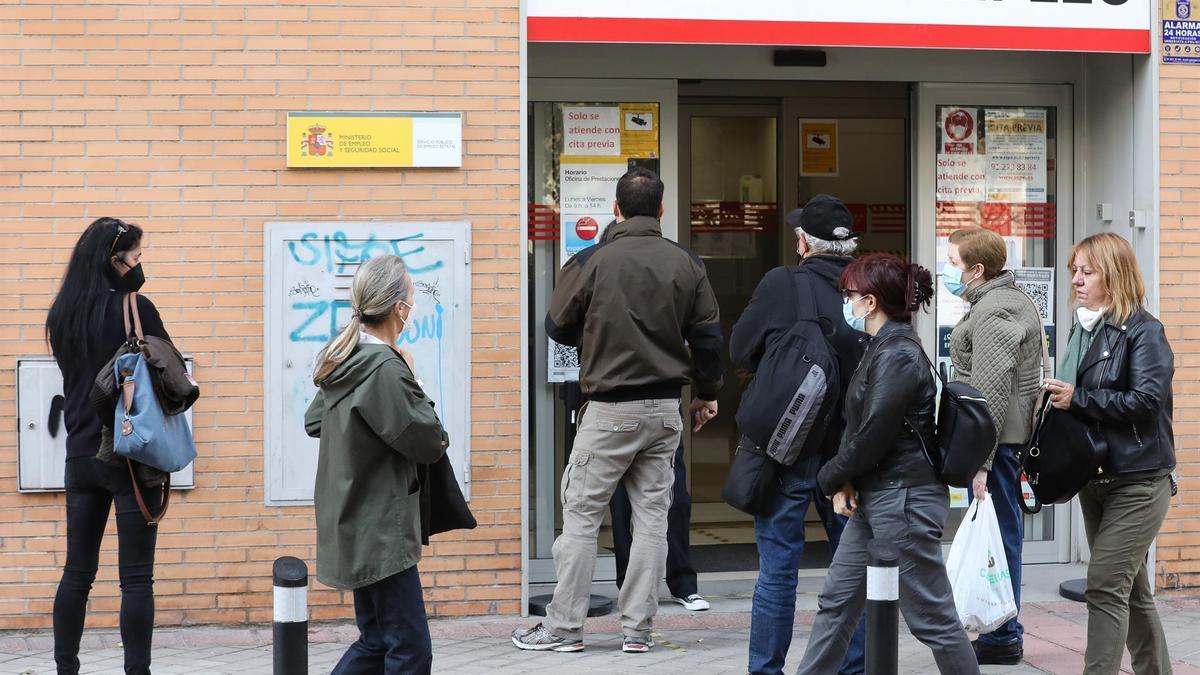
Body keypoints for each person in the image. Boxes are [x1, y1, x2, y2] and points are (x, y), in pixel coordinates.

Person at [512, 167, 724, 654]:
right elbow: (710, 338)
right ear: (662, 210)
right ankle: (638, 631)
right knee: (653, 520)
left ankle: (564, 629)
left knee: (583, 515)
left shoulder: (591, 260)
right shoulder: (686, 263)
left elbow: (556, 326)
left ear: (616, 209)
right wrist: (707, 391)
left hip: (608, 409)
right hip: (666, 410)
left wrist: (597, 332)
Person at [797, 253, 979, 675]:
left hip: (903, 500)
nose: (846, 302)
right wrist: (846, 482)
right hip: (880, 495)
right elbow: (860, 424)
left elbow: (872, 434)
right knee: (837, 603)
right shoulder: (881, 346)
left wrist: (829, 478)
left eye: (849, 294)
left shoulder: (898, 353)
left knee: (932, 619)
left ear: (871, 301)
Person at [730, 195, 868, 675]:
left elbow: (740, 349)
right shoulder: (871, 288)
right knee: (853, 572)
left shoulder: (781, 283)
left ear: (802, 242)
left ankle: (766, 670)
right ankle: (854, 668)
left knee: (777, 572)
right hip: (851, 457)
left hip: (786, 449)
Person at [305, 254, 449, 675]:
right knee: (409, 649)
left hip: (355, 518)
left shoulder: (345, 357)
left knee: (377, 641)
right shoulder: (385, 367)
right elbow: (430, 441)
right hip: (381, 528)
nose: (412, 304)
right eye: (410, 295)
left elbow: (316, 420)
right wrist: (414, 381)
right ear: (396, 307)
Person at [1042, 232, 1175, 674]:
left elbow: (1146, 402)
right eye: (1074, 271)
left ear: (1114, 275)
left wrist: (1077, 398)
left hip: (1138, 479)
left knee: (1102, 586)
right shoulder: (1085, 329)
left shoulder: (1144, 331)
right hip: (1094, 477)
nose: (1077, 280)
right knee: (1130, 592)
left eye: (1087, 271)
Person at [46, 217, 169, 675]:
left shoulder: (61, 315)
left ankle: (66, 668)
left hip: (79, 456)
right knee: (136, 578)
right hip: (129, 455)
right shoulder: (136, 308)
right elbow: (172, 376)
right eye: (136, 258)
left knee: (77, 573)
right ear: (114, 261)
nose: (140, 267)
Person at [943, 227, 1043, 666]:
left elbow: (991, 391)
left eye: (953, 263)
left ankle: (1002, 635)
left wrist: (980, 462)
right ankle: (1002, 630)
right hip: (1002, 443)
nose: (949, 271)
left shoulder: (995, 310)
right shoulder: (1002, 301)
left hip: (999, 445)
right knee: (1001, 536)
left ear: (976, 269)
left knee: (999, 539)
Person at [609, 428, 708, 612]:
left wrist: (706, 397)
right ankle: (628, 587)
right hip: (621, 414)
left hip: (665, 413)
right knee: (621, 504)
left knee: (677, 501)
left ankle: (683, 584)